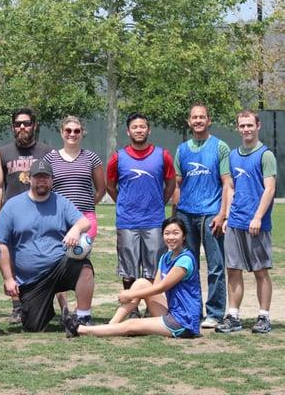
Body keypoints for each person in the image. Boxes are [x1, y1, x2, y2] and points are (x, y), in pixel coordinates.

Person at [0, 160, 94, 332]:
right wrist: (9, 279)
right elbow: (1, 243)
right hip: (31, 280)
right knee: (34, 327)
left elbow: (85, 222)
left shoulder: (61, 202)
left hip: (59, 268)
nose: (42, 181)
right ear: (29, 179)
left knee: (84, 265)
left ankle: (83, 317)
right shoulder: (12, 206)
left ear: (52, 180)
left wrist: (76, 229)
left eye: (46, 177)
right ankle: (56, 310)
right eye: (38, 177)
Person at [64, 216, 202, 338]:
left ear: (184, 236)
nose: (171, 237)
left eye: (176, 233)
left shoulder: (185, 260)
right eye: (167, 233)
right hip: (173, 311)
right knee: (141, 282)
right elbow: (155, 287)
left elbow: (160, 288)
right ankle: (112, 324)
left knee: (132, 324)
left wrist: (130, 294)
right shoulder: (166, 257)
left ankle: (79, 329)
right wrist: (133, 294)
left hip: (184, 321)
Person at [106, 112, 176, 316]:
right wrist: (124, 203)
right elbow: (110, 185)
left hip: (154, 221)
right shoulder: (118, 157)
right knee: (129, 270)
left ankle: (152, 308)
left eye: (142, 127)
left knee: (154, 269)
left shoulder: (162, 155)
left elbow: (171, 183)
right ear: (128, 131)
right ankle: (132, 307)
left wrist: (158, 203)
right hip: (127, 221)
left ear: (149, 129)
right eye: (135, 127)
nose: (139, 130)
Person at [215, 110, 276, 334]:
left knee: (260, 271)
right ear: (238, 128)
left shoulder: (265, 155)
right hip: (235, 222)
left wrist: (258, 216)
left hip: (256, 224)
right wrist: (227, 216)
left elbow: (270, 189)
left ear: (258, 126)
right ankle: (233, 316)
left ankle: (264, 317)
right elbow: (230, 188)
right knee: (233, 270)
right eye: (242, 126)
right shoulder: (232, 155)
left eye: (250, 125)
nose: (246, 129)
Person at [0, 107, 52, 324]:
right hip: (12, 214)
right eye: (18, 124)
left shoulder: (47, 151)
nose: (22, 127)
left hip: (40, 213)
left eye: (26, 123)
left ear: (34, 125)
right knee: (10, 260)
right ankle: (17, 305)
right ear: (13, 127)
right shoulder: (3, 153)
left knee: (44, 257)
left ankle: (47, 300)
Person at [173, 103, 231, 329]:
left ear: (209, 120)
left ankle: (215, 312)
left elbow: (227, 184)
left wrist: (222, 214)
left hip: (211, 215)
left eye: (202, 117)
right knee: (189, 265)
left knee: (216, 265)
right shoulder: (182, 149)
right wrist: (175, 216)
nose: (198, 120)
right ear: (189, 121)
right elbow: (177, 184)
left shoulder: (220, 147)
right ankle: (192, 309)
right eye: (194, 117)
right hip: (186, 214)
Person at [44, 115, 105, 322]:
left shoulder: (91, 158)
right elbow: (44, 189)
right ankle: (64, 309)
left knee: (81, 264)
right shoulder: (51, 158)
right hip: (57, 220)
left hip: (85, 219)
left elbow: (101, 188)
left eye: (76, 131)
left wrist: (85, 208)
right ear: (62, 132)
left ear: (82, 133)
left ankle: (83, 313)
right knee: (56, 261)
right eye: (68, 130)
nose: (72, 134)